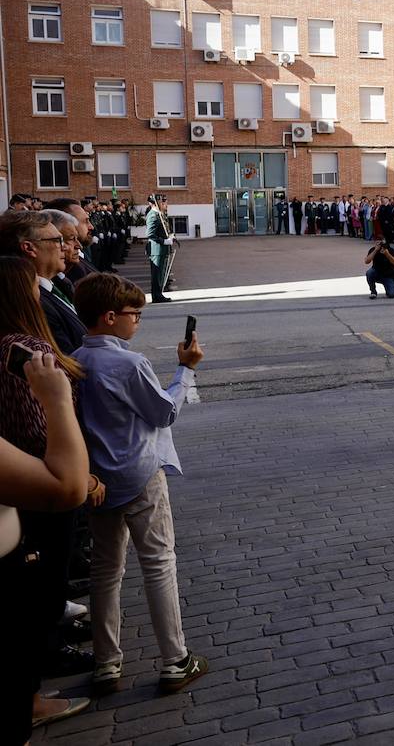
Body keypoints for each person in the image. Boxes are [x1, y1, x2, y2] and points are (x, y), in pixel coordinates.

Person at [69, 274, 210, 696]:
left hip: (98, 477)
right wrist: (184, 370)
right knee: (158, 563)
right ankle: (174, 658)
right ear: (111, 317)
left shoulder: (73, 358)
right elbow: (163, 413)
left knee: (106, 570)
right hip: (140, 471)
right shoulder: (129, 363)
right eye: (134, 314)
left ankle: (106, 662)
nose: (138, 322)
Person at [0, 255, 100, 730]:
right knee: (38, 598)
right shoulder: (19, 351)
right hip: (38, 486)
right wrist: (59, 399)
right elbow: (61, 474)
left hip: (25, 495)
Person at [0, 211, 87, 354]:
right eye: (58, 240)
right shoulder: (30, 301)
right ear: (29, 248)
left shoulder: (58, 284)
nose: (64, 247)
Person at [144, 195, 174, 303]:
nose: (163, 204)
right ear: (154, 203)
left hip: (161, 249)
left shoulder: (159, 215)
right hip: (156, 250)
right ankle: (156, 296)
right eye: (160, 202)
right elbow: (150, 234)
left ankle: (159, 294)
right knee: (157, 274)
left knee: (161, 274)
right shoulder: (152, 215)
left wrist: (169, 237)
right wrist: (164, 241)